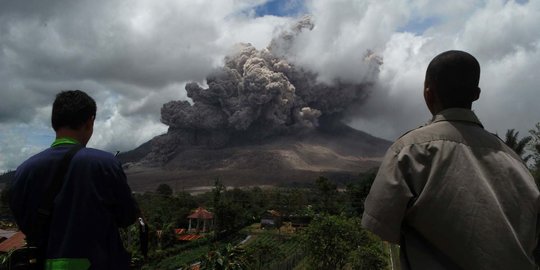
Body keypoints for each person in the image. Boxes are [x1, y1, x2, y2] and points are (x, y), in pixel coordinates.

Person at [362, 50, 540, 269]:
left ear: (428, 94)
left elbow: (381, 227)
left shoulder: (409, 151)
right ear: (476, 94)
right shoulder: (515, 161)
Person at [10, 90, 139, 269]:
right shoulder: (105, 164)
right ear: (90, 121)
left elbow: (24, 221)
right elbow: (127, 216)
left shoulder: (24, 170)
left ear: (54, 122)